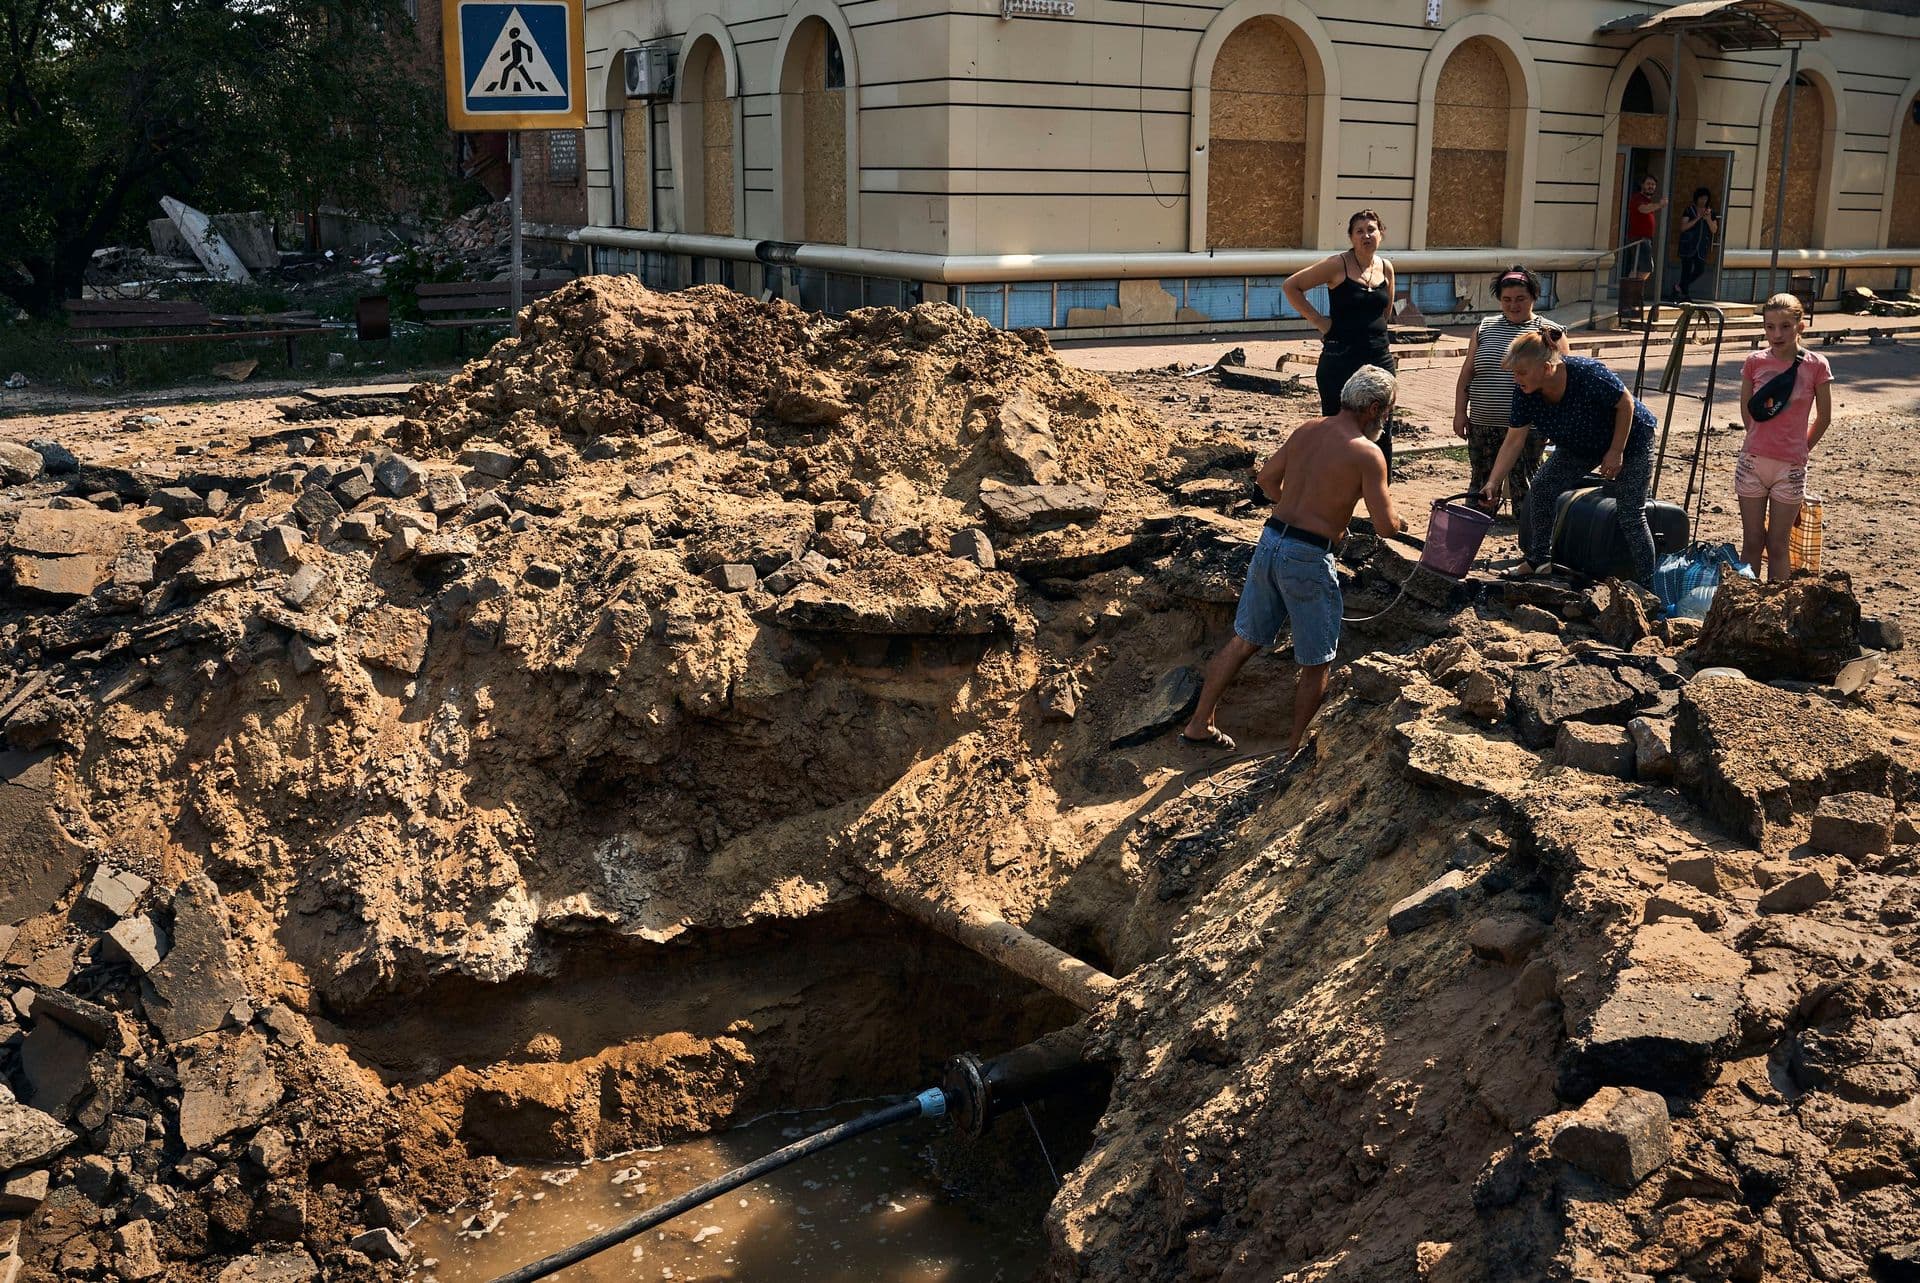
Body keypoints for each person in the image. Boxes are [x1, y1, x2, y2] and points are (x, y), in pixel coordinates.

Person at [1180, 366, 1405, 758]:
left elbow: (1266, 480)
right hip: (1308, 556)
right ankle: (1295, 752)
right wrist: (1398, 521)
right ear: (1373, 408)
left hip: (1270, 540)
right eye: (1387, 413)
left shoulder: (1307, 430)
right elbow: (1386, 527)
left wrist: (1300, 507)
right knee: (1317, 661)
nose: (1385, 421)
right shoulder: (1367, 453)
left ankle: (1200, 723)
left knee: (1244, 640)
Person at [1480, 332, 1660, 585]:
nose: (1515, 378)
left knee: (1630, 512)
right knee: (1542, 488)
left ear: (1546, 368)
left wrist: (1616, 451)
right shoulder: (1525, 391)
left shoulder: (1586, 373)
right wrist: (1493, 482)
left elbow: (1626, 404)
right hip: (1580, 444)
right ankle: (1539, 561)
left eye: (1520, 372)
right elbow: (1514, 440)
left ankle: (1646, 586)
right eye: (1513, 372)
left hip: (1630, 438)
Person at [1451, 265, 1569, 556]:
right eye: (1507, 300)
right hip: (1483, 420)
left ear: (1534, 298)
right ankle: (1470, 540)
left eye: (1520, 298)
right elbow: (1468, 371)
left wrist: (1558, 422)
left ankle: (1531, 546)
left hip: (1529, 426)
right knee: (1482, 479)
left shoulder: (1549, 331)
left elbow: (1563, 380)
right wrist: (1459, 412)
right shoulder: (1485, 327)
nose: (1513, 305)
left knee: (1526, 483)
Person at [1284, 209, 1397, 472]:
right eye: (1359, 231)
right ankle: (1333, 490)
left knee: (1382, 428)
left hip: (1379, 358)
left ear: (1381, 233)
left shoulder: (1386, 267)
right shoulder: (1337, 265)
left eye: (1371, 229)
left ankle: (1378, 495)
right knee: (1338, 427)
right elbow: (1292, 286)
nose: (1366, 235)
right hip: (1341, 359)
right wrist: (1320, 322)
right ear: (1351, 237)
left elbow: (1386, 310)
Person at [1736, 292, 1832, 580]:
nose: (1777, 334)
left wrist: (1802, 448)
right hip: (1752, 462)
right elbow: (1746, 407)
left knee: (1778, 546)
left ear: (1800, 326)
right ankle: (1745, 611)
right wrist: (1755, 437)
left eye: (1785, 326)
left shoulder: (1816, 365)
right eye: (1770, 327)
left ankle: (1777, 614)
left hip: (1790, 467)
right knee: (1752, 541)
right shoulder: (1755, 361)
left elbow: (1824, 417)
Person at [1674, 187, 1718, 302]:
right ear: (1697, 198)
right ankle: (1684, 294)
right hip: (1688, 245)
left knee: (1700, 269)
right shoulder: (1690, 210)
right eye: (1701, 198)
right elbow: (1683, 227)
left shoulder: (1710, 212)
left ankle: (1679, 287)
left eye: (1705, 199)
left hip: (1701, 246)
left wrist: (1708, 219)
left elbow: (1714, 229)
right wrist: (1698, 218)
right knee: (1686, 270)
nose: (1703, 201)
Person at [1624, 175, 1665, 283]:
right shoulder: (1638, 198)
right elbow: (1643, 209)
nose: (1651, 186)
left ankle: (1632, 294)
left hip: (1645, 239)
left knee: (1637, 268)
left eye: (1653, 184)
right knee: (1646, 267)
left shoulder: (1647, 200)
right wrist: (1660, 205)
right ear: (1642, 185)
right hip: (1639, 239)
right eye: (1648, 184)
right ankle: (1633, 292)